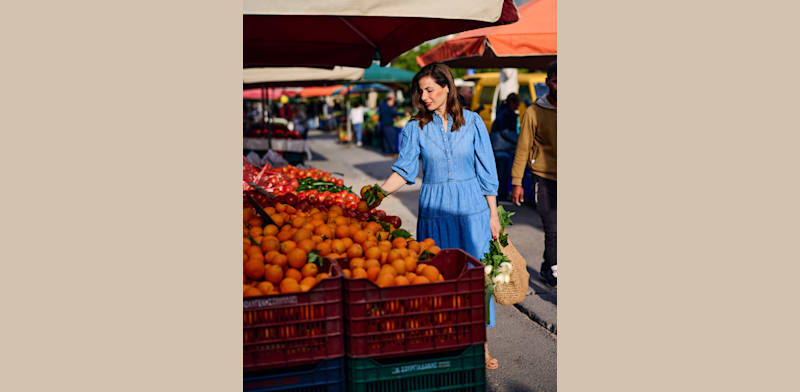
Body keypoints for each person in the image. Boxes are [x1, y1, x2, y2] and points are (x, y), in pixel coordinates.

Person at [376, 63, 502, 370]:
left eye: (430, 89)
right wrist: (374, 197)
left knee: (475, 279)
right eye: (421, 91)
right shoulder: (414, 127)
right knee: (438, 276)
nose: (425, 96)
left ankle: (480, 344)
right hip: (434, 208)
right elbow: (404, 171)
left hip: (472, 208)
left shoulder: (472, 122)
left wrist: (493, 213)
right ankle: (448, 340)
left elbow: (487, 170)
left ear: (447, 87)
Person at [511, 61, 557, 287]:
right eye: (557, 81)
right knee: (553, 227)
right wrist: (517, 182)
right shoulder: (533, 112)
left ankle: (548, 267)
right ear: (548, 82)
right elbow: (523, 148)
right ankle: (556, 272)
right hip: (543, 177)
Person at [490, 93, 520, 201]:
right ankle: (501, 195)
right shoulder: (507, 114)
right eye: (517, 103)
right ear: (512, 102)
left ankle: (500, 194)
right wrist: (519, 140)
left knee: (500, 174)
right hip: (501, 149)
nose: (518, 105)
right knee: (502, 174)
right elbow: (505, 132)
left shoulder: (502, 112)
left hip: (498, 149)